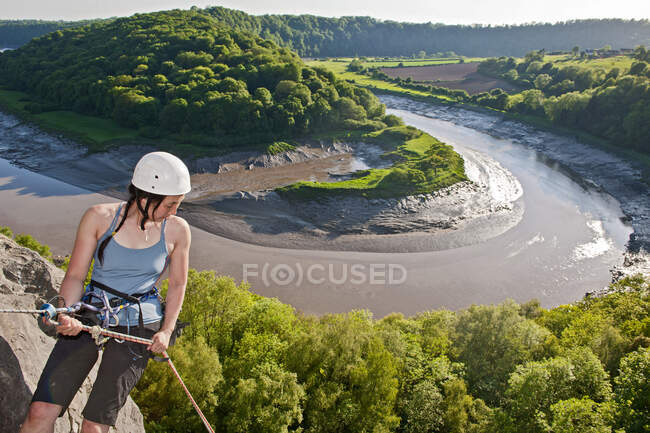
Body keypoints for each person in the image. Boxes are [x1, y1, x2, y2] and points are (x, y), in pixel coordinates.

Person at [20, 151, 192, 433]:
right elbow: (76, 275)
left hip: (139, 323)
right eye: (170, 204)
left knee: (95, 427)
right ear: (146, 195)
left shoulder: (177, 231)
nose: (174, 211)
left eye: (178, 204)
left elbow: (177, 285)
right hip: (91, 312)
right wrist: (67, 314)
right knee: (40, 411)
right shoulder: (99, 217)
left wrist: (166, 330)